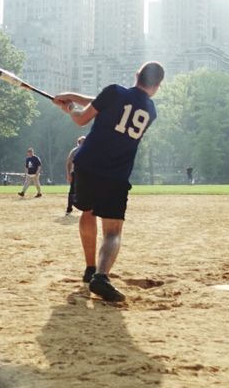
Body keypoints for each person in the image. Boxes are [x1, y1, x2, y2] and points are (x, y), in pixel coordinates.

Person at [53, 61, 165, 303]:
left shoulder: (114, 91)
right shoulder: (151, 111)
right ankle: (101, 277)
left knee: (88, 212)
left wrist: (70, 106)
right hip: (116, 174)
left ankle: (90, 268)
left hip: (88, 165)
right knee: (113, 230)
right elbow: (109, 102)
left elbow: (82, 118)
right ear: (156, 86)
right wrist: (71, 95)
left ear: (136, 75)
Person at [64, 135, 85, 216]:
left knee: (87, 190)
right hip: (75, 173)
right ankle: (69, 208)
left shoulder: (89, 150)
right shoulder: (74, 151)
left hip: (85, 173)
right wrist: (68, 174)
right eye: (82, 141)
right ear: (78, 143)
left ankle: (86, 208)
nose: (84, 143)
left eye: (85, 141)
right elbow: (68, 163)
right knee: (72, 190)